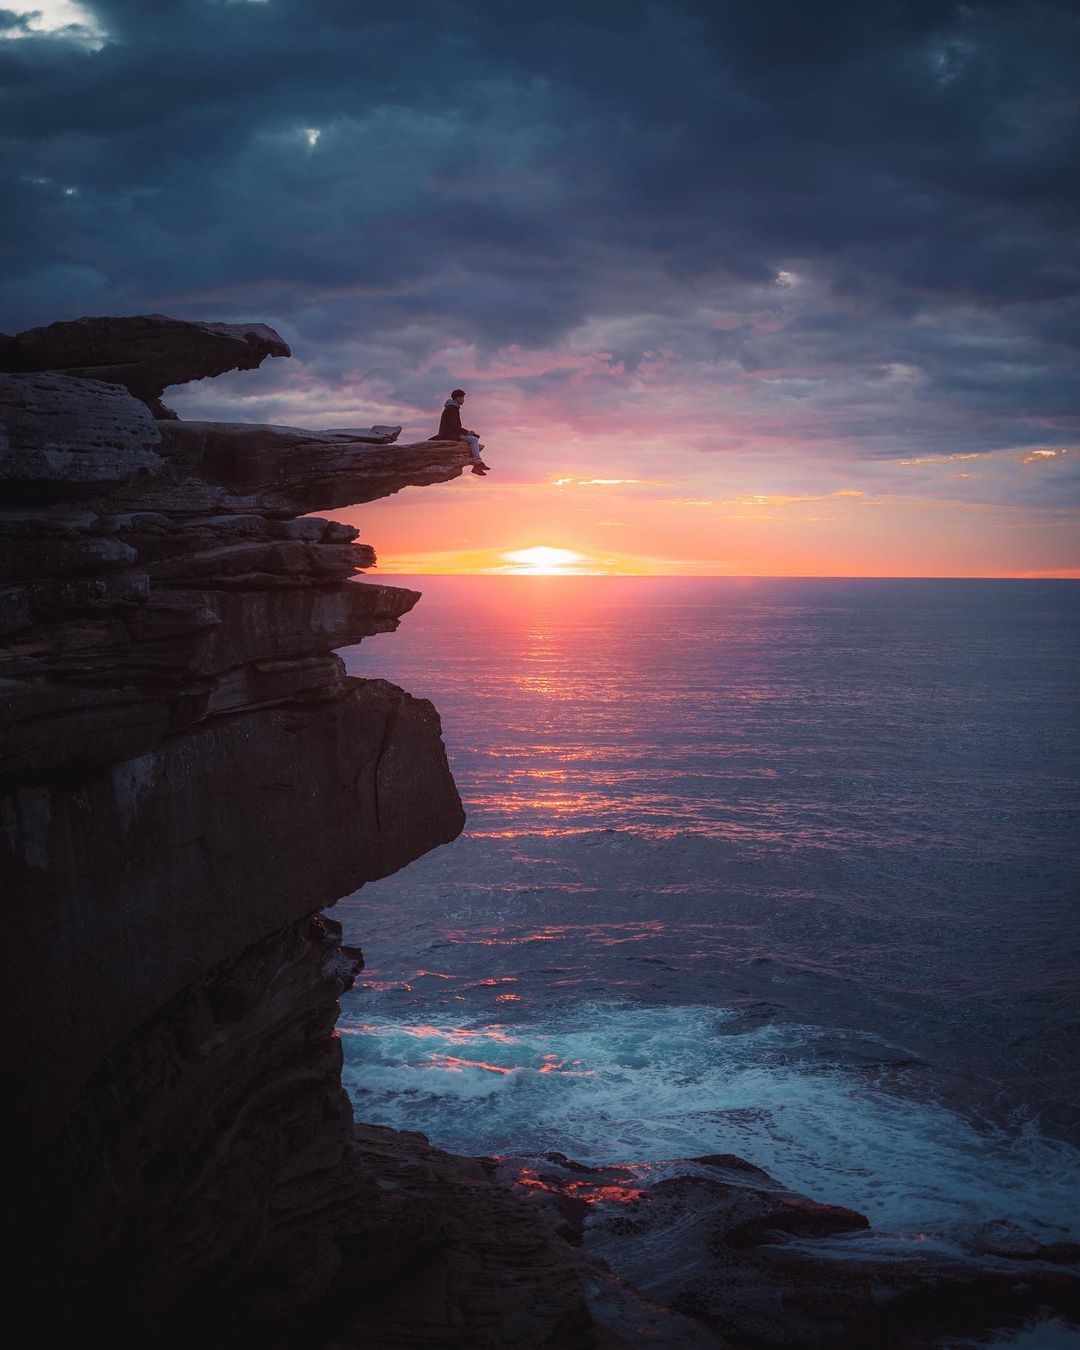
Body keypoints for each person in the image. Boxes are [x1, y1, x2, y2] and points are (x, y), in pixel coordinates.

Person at [434, 388, 490, 475]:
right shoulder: (452, 409)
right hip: (449, 434)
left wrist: (468, 432)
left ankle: (477, 465)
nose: (464, 400)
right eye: (462, 398)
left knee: (474, 439)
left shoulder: (452, 408)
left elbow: (454, 426)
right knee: (473, 440)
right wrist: (467, 432)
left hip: (450, 432)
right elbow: (454, 426)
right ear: (457, 398)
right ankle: (477, 464)